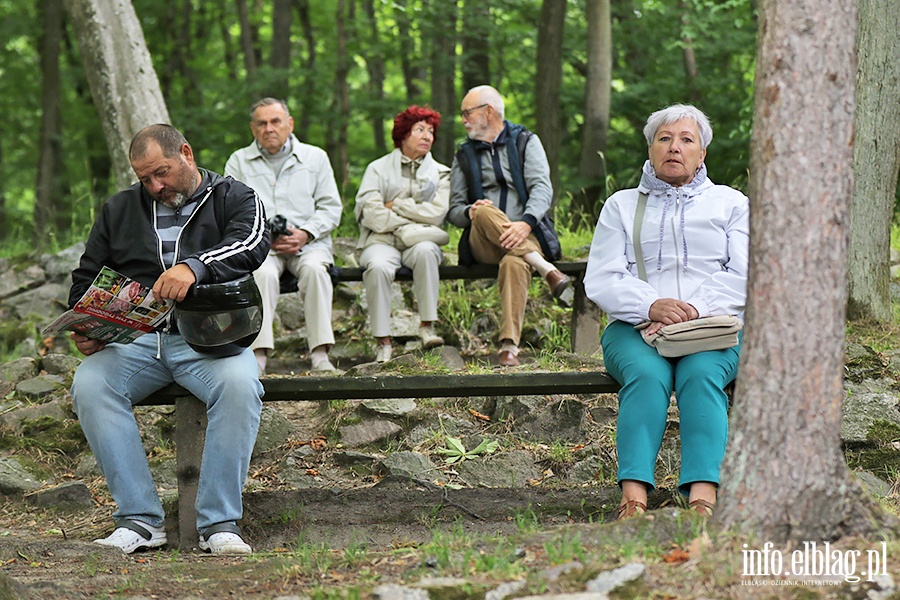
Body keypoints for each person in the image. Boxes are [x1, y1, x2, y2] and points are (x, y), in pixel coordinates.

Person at [69, 124, 270, 554]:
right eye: (145, 178)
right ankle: (140, 520)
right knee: (90, 383)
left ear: (186, 153)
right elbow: (86, 278)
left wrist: (195, 267)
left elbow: (251, 244)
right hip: (137, 343)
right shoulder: (119, 209)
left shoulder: (234, 196)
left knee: (239, 386)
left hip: (211, 342)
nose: (155, 186)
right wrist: (88, 326)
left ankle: (219, 524)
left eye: (162, 172)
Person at [584, 104, 749, 519]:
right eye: (664, 138)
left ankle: (703, 500)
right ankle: (633, 499)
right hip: (634, 327)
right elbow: (602, 277)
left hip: (714, 327)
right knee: (647, 375)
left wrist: (694, 308)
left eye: (686, 140)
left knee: (701, 375)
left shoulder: (732, 204)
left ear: (702, 154)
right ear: (651, 148)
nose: (674, 147)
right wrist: (650, 305)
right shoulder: (620, 206)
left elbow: (745, 272)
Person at [447, 85, 570, 367]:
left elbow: (542, 189)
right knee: (485, 211)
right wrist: (470, 211)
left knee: (514, 263)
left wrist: (525, 224)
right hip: (483, 242)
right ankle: (545, 268)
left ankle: (508, 347)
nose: (463, 119)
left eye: (467, 113)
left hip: (526, 233)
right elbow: (454, 210)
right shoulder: (463, 155)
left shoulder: (526, 141)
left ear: (488, 112)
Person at [225, 98, 343, 374]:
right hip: (261, 246)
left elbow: (331, 207)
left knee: (315, 270)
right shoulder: (238, 162)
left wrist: (305, 233)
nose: (269, 128)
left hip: (309, 244)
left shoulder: (316, 157)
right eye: (262, 123)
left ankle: (320, 354)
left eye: (275, 121)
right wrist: (263, 235)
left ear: (289, 124)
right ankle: (258, 355)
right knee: (261, 274)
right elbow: (231, 212)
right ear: (253, 129)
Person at [354, 106, 450, 362]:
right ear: (404, 134)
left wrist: (396, 205)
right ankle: (383, 342)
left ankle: (427, 327)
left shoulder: (441, 172)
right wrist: (412, 218)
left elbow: (437, 214)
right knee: (376, 266)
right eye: (420, 130)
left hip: (420, 240)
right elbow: (371, 214)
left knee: (428, 251)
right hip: (380, 240)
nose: (427, 136)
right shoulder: (377, 169)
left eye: (431, 131)